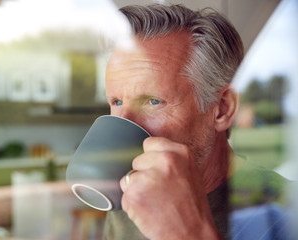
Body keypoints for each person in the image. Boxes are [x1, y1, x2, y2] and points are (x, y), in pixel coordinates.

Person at [102, 4, 290, 240]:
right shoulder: (131, 197)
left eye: (153, 101)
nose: (123, 125)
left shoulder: (284, 213)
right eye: (117, 102)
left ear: (222, 109)